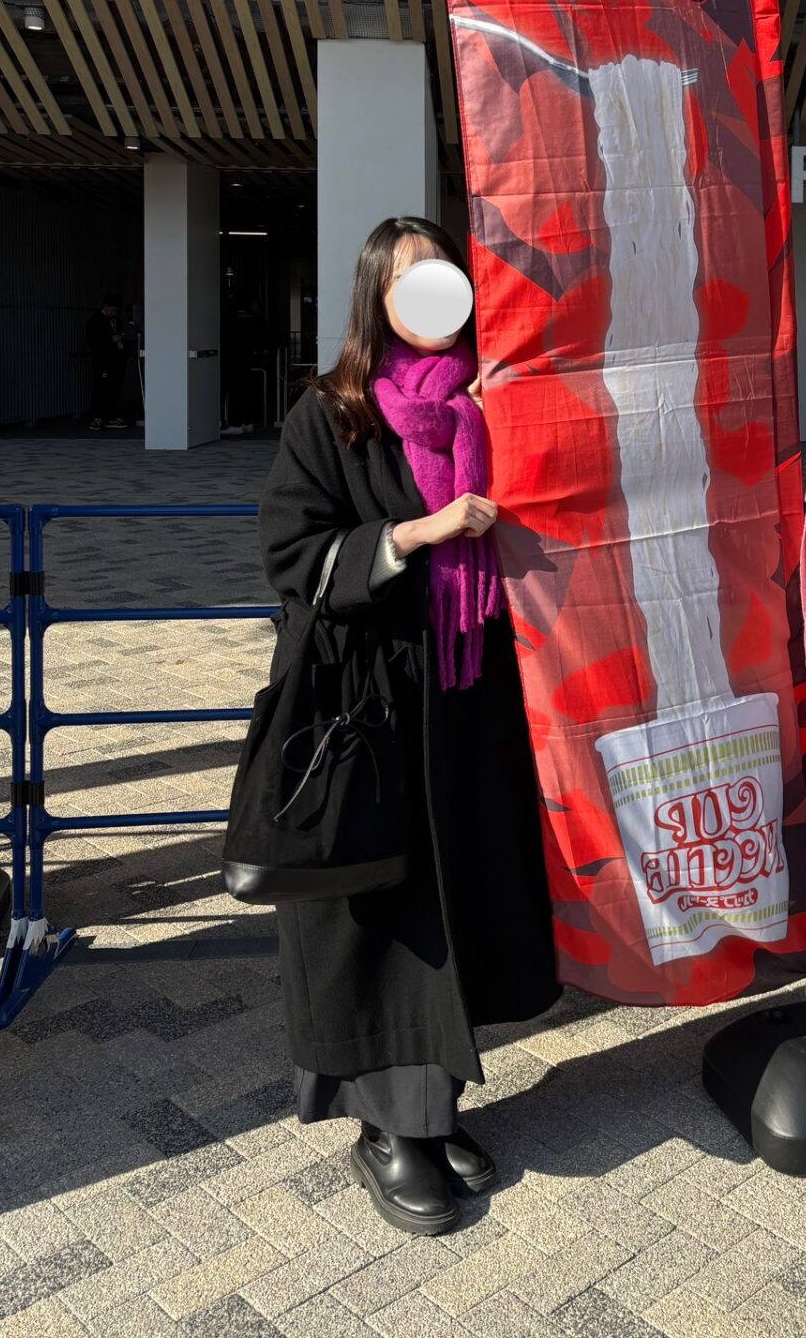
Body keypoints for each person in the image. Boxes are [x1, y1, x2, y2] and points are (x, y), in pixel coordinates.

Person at [257, 216, 559, 1235]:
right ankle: (389, 1131)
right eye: (410, 278)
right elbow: (291, 554)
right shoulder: (333, 413)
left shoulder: (489, 402)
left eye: (444, 273)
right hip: (369, 705)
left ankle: (438, 1109)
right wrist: (414, 535)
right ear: (375, 300)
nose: (434, 291)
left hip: (467, 692)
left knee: (458, 897)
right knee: (380, 917)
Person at [86, 295, 127, 430]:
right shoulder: (95, 321)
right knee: (101, 387)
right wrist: (110, 340)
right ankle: (97, 416)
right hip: (103, 359)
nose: (114, 313)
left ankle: (111, 416)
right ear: (105, 307)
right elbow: (93, 341)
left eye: (116, 311)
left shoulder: (116, 321)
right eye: (112, 310)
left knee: (114, 387)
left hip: (116, 358)